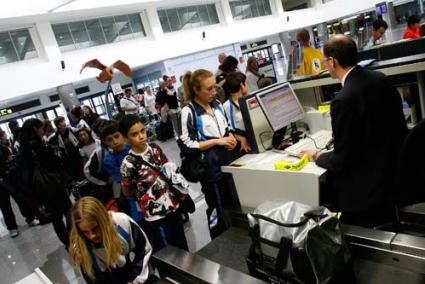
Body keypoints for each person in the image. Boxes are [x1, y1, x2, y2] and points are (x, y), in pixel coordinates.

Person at [300, 35, 408, 228]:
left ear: (333, 61)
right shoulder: (379, 78)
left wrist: (317, 155)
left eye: (326, 61)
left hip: (369, 185)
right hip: (394, 170)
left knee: (325, 186)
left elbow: (343, 160)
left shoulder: (343, 99)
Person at [180, 69, 237, 239]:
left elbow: (227, 126)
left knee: (232, 202)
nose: (214, 92)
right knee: (216, 206)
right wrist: (216, 141)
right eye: (209, 89)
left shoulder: (218, 104)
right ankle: (220, 240)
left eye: (214, 87)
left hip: (228, 161)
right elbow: (186, 145)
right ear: (196, 90)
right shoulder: (188, 111)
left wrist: (231, 136)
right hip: (210, 168)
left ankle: (235, 236)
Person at [120, 114, 189, 252]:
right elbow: (127, 191)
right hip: (154, 214)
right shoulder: (127, 164)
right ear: (126, 138)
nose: (141, 136)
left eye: (142, 131)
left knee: (181, 242)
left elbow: (168, 169)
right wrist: (144, 192)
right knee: (167, 249)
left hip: (172, 205)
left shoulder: (155, 148)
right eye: (134, 134)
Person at [69, 197, 154, 284]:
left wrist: (134, 280)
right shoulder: (80, 248)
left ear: (103, 219)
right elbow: (93, 280)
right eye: (85, 232)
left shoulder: (121, 222)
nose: (92, 236)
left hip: (131, 274)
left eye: (95, 228)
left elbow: (144, 250)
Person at [21, 118, 72, 248]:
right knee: (68, 210)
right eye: (41, 127)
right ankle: (73, 238)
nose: (43, 130)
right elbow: (50, 162)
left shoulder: (24, 147)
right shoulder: (37, 145)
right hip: (53, 184)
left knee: (56, 217)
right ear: (35, 129)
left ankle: (66, 242)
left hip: (41, 188)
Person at [0, 139, 39, 238]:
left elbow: (10, 160)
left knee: (20, 198)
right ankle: (12, 227)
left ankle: (30, 218)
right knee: (5, 206)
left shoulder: (3, 148)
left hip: (9, 177)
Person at [223, 72, 251, 155]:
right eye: (246, 82)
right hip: (241, 146)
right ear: (242, 85)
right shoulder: (227, 106)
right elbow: (228, 129)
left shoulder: (248, 99)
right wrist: (242, 139)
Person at [49, 116, 82, 181]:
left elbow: (79, 133)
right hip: (67, 159)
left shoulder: (70, 130)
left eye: (64, 120)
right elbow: (50, 143)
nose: (64, 123)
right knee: (74, 176)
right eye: (61, 122)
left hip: (77, 155)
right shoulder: (55, 136)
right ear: (58, 125)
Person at [162, 75, 182, 139]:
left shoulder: (173, 88)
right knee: (175, 125)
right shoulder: (164, 90)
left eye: (171, 80)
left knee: (180, 123)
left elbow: (175, 98)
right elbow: (165, 102)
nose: (171, 81)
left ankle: (182, 135)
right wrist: (168, 111)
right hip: (171, 110)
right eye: (169, 80)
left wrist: (179, 99)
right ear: (166, 82)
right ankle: (179, 137)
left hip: (177, 108)